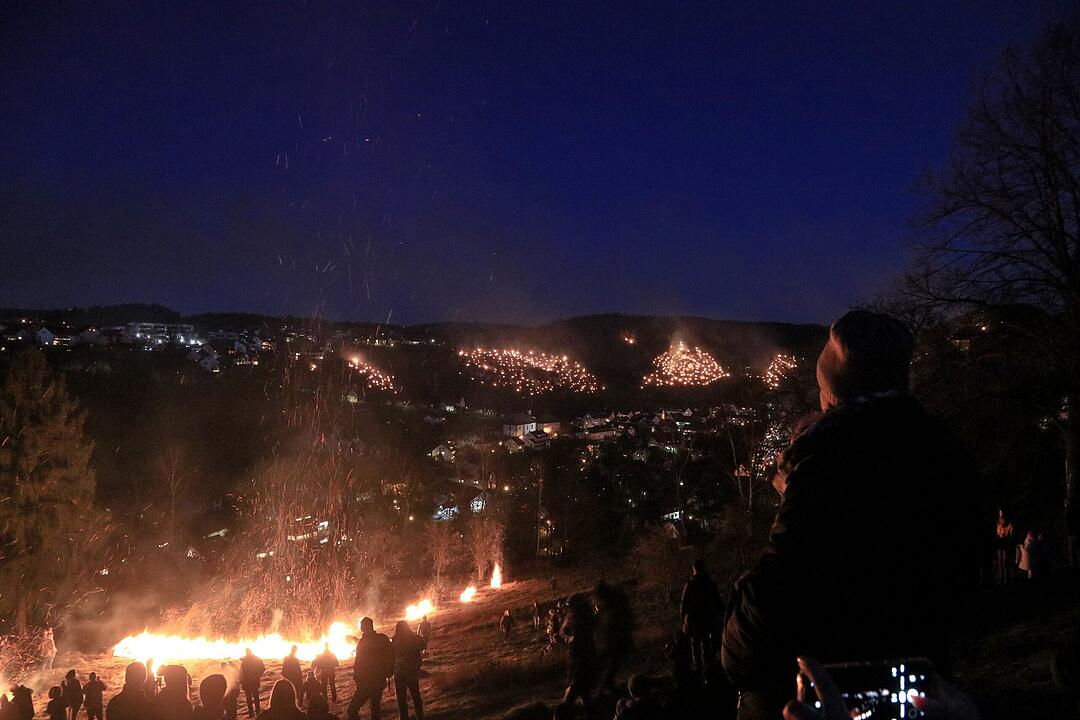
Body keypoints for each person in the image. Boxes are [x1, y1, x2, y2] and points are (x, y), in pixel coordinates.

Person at [722, 310, 980, 720]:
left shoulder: (824, 464)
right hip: (916, 691)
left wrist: (793, 491)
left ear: (830, 395)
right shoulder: (946, 456)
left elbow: (755, 634)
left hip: (828, 695)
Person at [680, 560, 722, 676]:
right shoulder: (710, 583)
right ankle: (708, 673)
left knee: (696, 649)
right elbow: (718, 602)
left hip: (693, 622)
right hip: (707, 620)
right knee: (706, 647)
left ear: (694, 569)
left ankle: (699, 673)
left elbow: (683, 605)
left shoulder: (690, 584)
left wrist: (683, 622)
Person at [347, 617, 393, 720]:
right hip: (379, 681)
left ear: (364, 627)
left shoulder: (364, 642)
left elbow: (359, 662)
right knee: (375, 708)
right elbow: (391, 655)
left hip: (366, 682)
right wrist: (388, 672)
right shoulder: (382, 639)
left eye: (361, 626)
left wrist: (357, 677)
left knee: (352, 710)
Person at [594, 581, 634, 694]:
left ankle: (606, 686)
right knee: (610, 661)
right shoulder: (615, 602)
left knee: (611, 662)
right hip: (615, 638)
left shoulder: (615, 605)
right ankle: (606, 684)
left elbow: (616, 622)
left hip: (617, 638)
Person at [560, 593, 596, 710]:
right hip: (580, 664)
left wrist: (571, 638)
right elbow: (564, 632)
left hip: (580, 665)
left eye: (571, 607)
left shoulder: (582, 624)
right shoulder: (582, 621)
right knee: (585, 695)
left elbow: (581, 647)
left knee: (569, 698)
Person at [391, 620, 426, 720]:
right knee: (415, 695)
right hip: (412, 671)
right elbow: (423, 645)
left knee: (401, 698)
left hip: (399, 673)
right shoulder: (413, 638)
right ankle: (420, 716)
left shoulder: (395, 641)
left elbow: (391, 656)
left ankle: (404, 717)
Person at [239, 649, 265, 717]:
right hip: (254, 682)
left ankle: (251, 713)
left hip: (247, 682)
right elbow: (263, 668)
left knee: (249, 698)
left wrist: (241, 681)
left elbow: (241, 672)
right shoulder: (257, 660)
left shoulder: (244, 661)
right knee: (255, 697)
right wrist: (258, 675)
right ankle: (257, 712)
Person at [996, 510, 1015, 584]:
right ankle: (1001, 579)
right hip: (999, 543)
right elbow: (997, 533)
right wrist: (998, 536)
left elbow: (1011, 536)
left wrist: (1008, 539)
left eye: (1001, 513)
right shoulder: (998, 523)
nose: (1001, 514)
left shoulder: (1009, 524)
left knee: (1005, 562)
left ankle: (1006, 579)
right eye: (1000, 513)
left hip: (1005, 543)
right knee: (1000, 562)